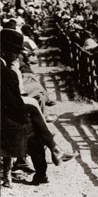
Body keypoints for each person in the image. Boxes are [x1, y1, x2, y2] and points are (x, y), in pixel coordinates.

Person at [1, 29, 77, 187]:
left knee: (33, 120)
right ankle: (48, 162)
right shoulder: (6, 72)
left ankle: (53, 154)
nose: (17, 56)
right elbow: (15, 105)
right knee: (34, 131)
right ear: (3, 49)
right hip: (4, 122)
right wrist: (27, 118)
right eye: (15, 52)